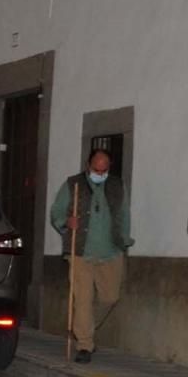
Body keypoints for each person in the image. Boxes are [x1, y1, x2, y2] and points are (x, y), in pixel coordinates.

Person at [50, 147, 133, 363]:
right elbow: (57, 212)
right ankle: (85, 345)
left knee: (110, 298)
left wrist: (124, 240)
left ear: (109, 167)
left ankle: (86, 328)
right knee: (83, 301)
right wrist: (66, 223)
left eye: (104, 168)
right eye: (96, 167)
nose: (100, 171)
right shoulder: (73, 184)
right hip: (80, 252)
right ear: (89, 166)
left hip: (111, 252)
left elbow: (124, 214)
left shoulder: (117, 185)